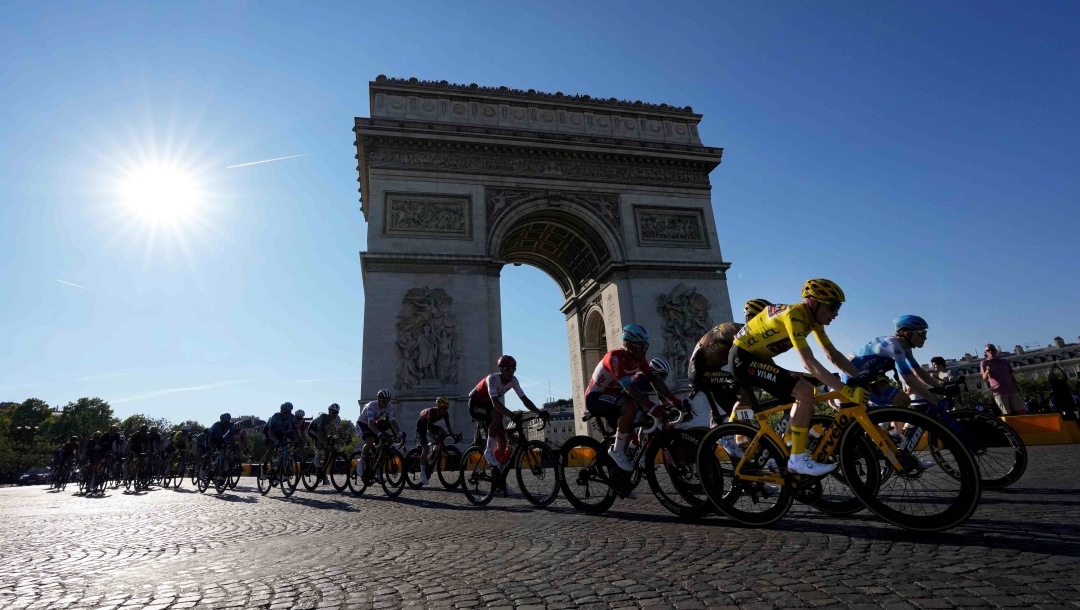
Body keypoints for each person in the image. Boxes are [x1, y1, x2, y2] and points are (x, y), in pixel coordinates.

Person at [728, 279, 865, 476]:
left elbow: (832, 354)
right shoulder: (794, 315)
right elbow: (808, 361)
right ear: (812, 303)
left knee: (809, 387)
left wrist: (860, 377)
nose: (836, 312)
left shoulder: (813, 320)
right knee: (803, 390)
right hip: (743, 360)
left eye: (839, 307)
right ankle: (797, 458)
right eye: (833, 306)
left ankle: (788, 446)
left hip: (758, 358)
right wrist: (846, 391)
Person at [584, 324, 681, 471]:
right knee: (631, 406)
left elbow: (655, 382)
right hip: (595, 397)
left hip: (614, 397)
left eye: (646, 346)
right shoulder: (614, 358)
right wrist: (651, 406)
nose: (645, 350)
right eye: (641, 346)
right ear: (628, 345)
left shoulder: (640, 360)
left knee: (634, 431)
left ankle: (623, 477)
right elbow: (630, 388)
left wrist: (675, 401)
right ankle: (616, 451)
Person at [468, 356, 547, 468]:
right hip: (475, 404)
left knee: (502, 439)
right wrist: (512, 415)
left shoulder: (513, 381)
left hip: (488, 405)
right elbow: (496, 403)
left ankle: (500, 480)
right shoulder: (493, 379)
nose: (511, 372)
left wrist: (539, 412)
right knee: (498, 414)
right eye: (508, 370)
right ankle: (488, 451)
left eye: (513, 369)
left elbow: (525, 400)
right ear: (501, 369)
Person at [688, 319, 744, 424]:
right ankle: (721, 429)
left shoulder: (739, 330)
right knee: (741, 383)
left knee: (741, 414)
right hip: (700, 372)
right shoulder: (737, 332)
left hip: (709, 370)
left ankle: (720, 427)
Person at [357, 390, 403, 479]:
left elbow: (393, 422)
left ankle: (378, 472)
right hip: (362, 423)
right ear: (378, 399)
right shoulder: (372, 405)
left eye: (387, 401)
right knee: (370, 441)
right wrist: (379, 433)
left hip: (373, 425)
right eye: (383, 401)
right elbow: (370, 423)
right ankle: (361, 460)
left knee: (381, 446)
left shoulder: (389, 406)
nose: (385, 403)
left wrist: (399, 432)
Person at [416, 396, 457, 485]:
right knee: (425, 448)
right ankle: (422, 473)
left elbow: (448, 428)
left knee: (443, 433)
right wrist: (437, 440)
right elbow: (429, 432)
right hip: (421, 427)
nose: (445, 410)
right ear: (438, 407)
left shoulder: (445, 414)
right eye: (443, 408)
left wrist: (453, 437)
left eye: (447, 408)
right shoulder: (431, 413)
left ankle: (434, 452)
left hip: (429, 425)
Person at [980, 345, 1024, 415]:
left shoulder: (1004, 362)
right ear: (986, 353)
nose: (990, 352)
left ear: (996, 351)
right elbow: (984, 377)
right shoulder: (984, 363)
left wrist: (1016, 387)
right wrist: (987, 371)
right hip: (999, 392)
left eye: (992, 350)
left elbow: (1011, 375)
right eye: (988, 351)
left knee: (1021, 411)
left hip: (1012, 389)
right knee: (1006, 413)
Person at [310, 404, 343, 484]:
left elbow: (338, 432)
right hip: (313, 428)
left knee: (328, 452)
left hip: (324, 430)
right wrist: (325, 442)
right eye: (333, 412)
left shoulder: (337, 419)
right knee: (322, 440)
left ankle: (323, 474)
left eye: (337, 412)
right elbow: (320, 434)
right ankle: (316, 457)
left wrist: (342, 440)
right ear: (329, 412)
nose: (335, 414)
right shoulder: (322, 417)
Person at [259, 403, 299, 470]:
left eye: (289, 412)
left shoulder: (292, 417)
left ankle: (278, 465)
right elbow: (270, 432)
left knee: (285, 446)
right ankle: (264, 467)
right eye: (285, 412)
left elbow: (295, 430)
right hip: (268, 431)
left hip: (279, 432)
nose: (287, 414)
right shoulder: (276, 416)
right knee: (272, 446)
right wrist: (276, 440)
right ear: (281, 411)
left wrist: (298, 439)